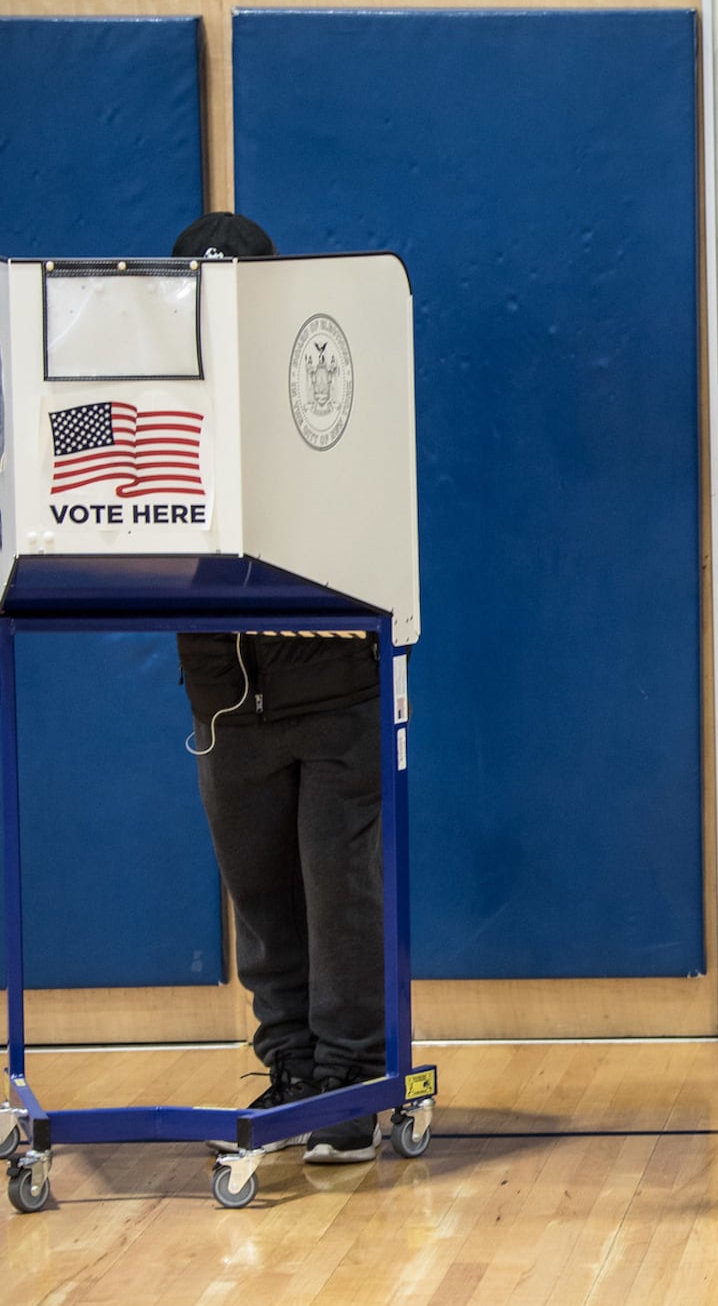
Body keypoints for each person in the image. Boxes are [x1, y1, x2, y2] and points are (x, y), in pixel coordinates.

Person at [173, 211, 388, 1163]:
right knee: (261, 901)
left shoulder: (321, 382)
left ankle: (349, 1077)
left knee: (339, 895)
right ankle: (292, 1063)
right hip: (224, 695)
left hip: (331, 680)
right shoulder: (166, 405)